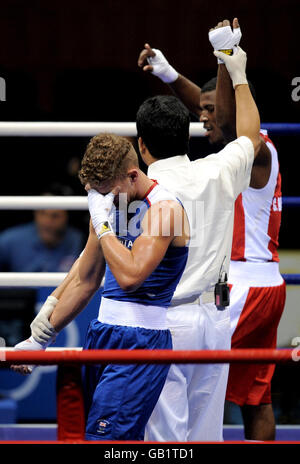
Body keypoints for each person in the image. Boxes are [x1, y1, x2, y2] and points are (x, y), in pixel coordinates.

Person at [15, 34, 261, 442]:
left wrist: (39, 335)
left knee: (161, 442)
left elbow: (86, 272)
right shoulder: (219, 170)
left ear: (141, 145)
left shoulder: (130, 192)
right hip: (213, 320)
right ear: (187, 135)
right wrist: (236, 70)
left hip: (158, 322)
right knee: (204, 437)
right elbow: (250, 135)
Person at [137, 19, 286, 441]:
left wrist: (226, 61)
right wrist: (170, 76)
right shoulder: (253, 151)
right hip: (265, 286)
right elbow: (215, 112)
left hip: (238, 288)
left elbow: (222, 117)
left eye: (209, 111)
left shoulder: (252, 152)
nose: (201, 118)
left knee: (185, 374)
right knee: (256, 399)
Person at [12, 132, 190, 441]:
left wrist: (102, 223)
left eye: (107, 192)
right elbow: (87, 278)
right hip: (102, 333)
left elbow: (131, 277)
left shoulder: (165, 209)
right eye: (97, 195)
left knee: (106, 440)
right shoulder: (112, 203)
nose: (103, 201)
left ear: (133, 175)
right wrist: (40, 339)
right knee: (104, 436)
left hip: (141, 340)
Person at [0, 184, 84, 272]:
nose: (47, 222)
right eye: (42, 213)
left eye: (55, 216)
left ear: (67, 218)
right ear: (35, 213)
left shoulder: (78, 240)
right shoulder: (10, 240)